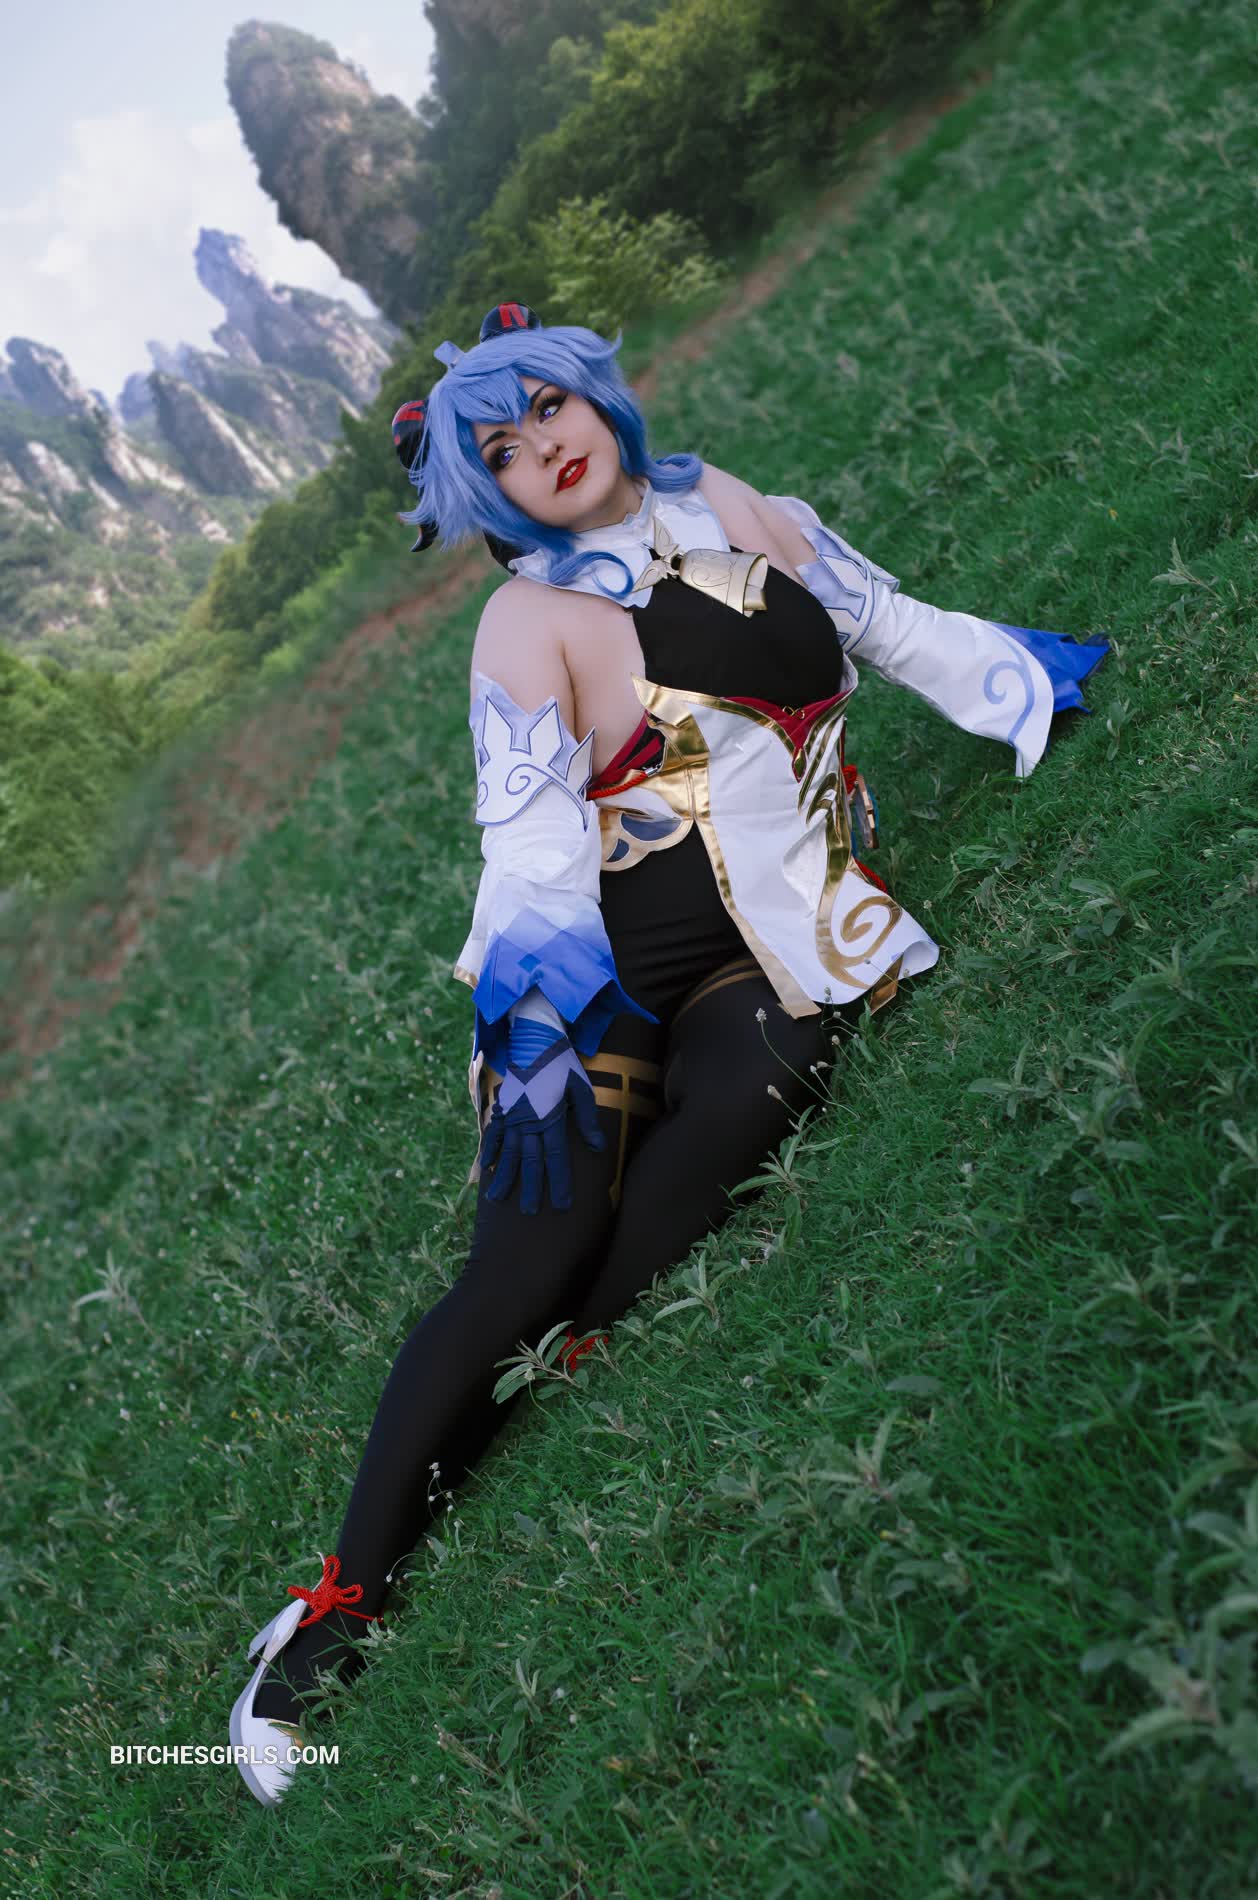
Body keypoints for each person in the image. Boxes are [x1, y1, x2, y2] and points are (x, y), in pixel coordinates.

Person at [229, 302, 1108, 1806]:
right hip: (592, 976)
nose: (542, 447)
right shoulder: (527, 622)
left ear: (597, 396)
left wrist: (1016, 683)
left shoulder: (730, 504)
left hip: (769, 952)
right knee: (526, 1257)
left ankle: (540, 1372)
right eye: (500, 449)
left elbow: (880, 620)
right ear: (487, 492)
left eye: (548, 407)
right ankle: (334, 1615)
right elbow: (528, 853)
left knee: (739, 1125)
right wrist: (536, 1054)